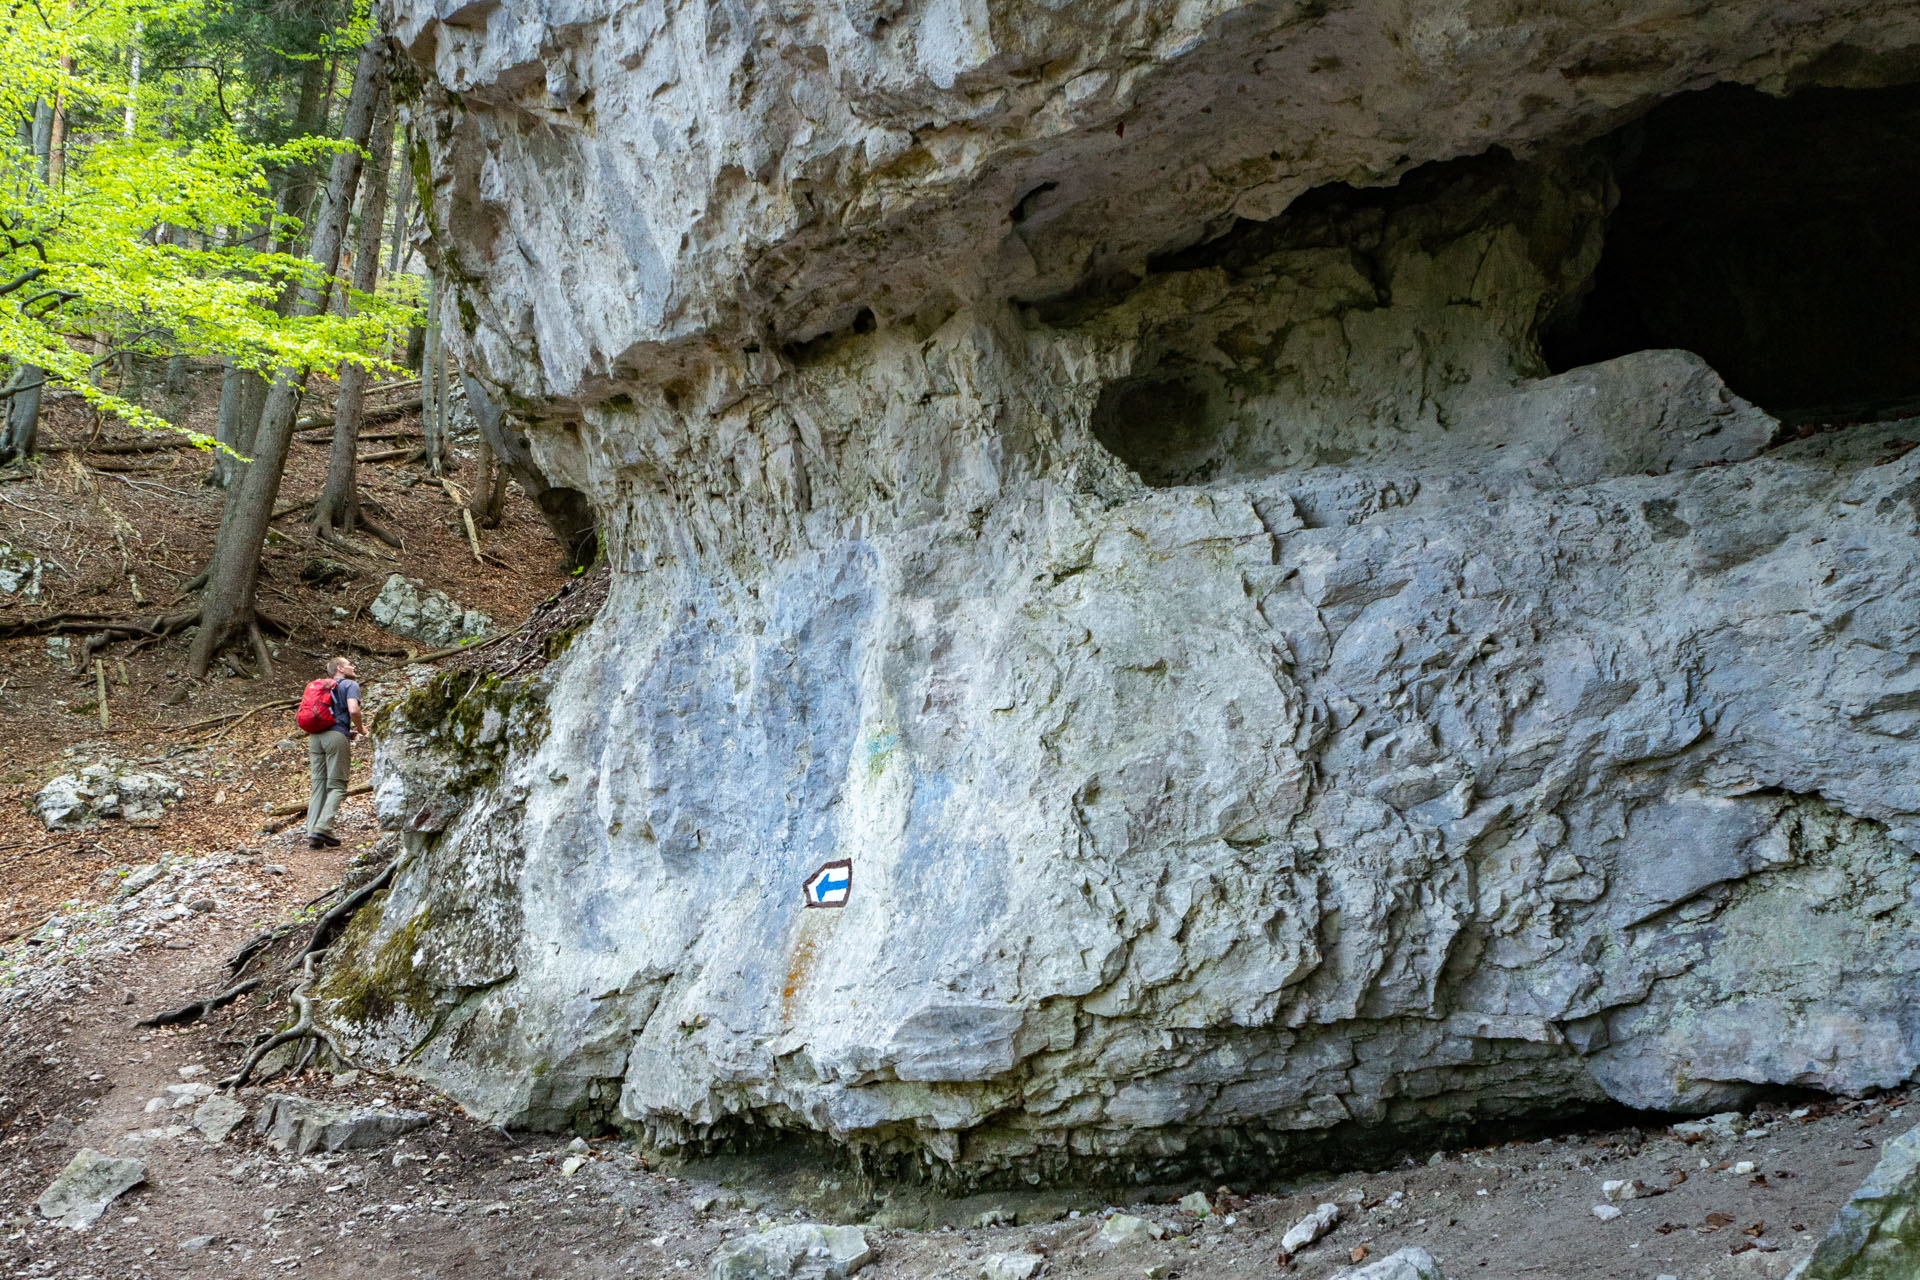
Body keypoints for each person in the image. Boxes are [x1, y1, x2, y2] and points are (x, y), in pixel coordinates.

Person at [305, 656, 363, 849]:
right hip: (336, 737)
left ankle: (312, 832)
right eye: (349, 664)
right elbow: (353, 710)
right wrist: (362, 729)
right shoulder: (349, 684)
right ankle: (323, 827)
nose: (353, 667)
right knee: (337, 785)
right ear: (340, 668)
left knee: (319, 784)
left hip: (315, 738)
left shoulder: (323, 688)